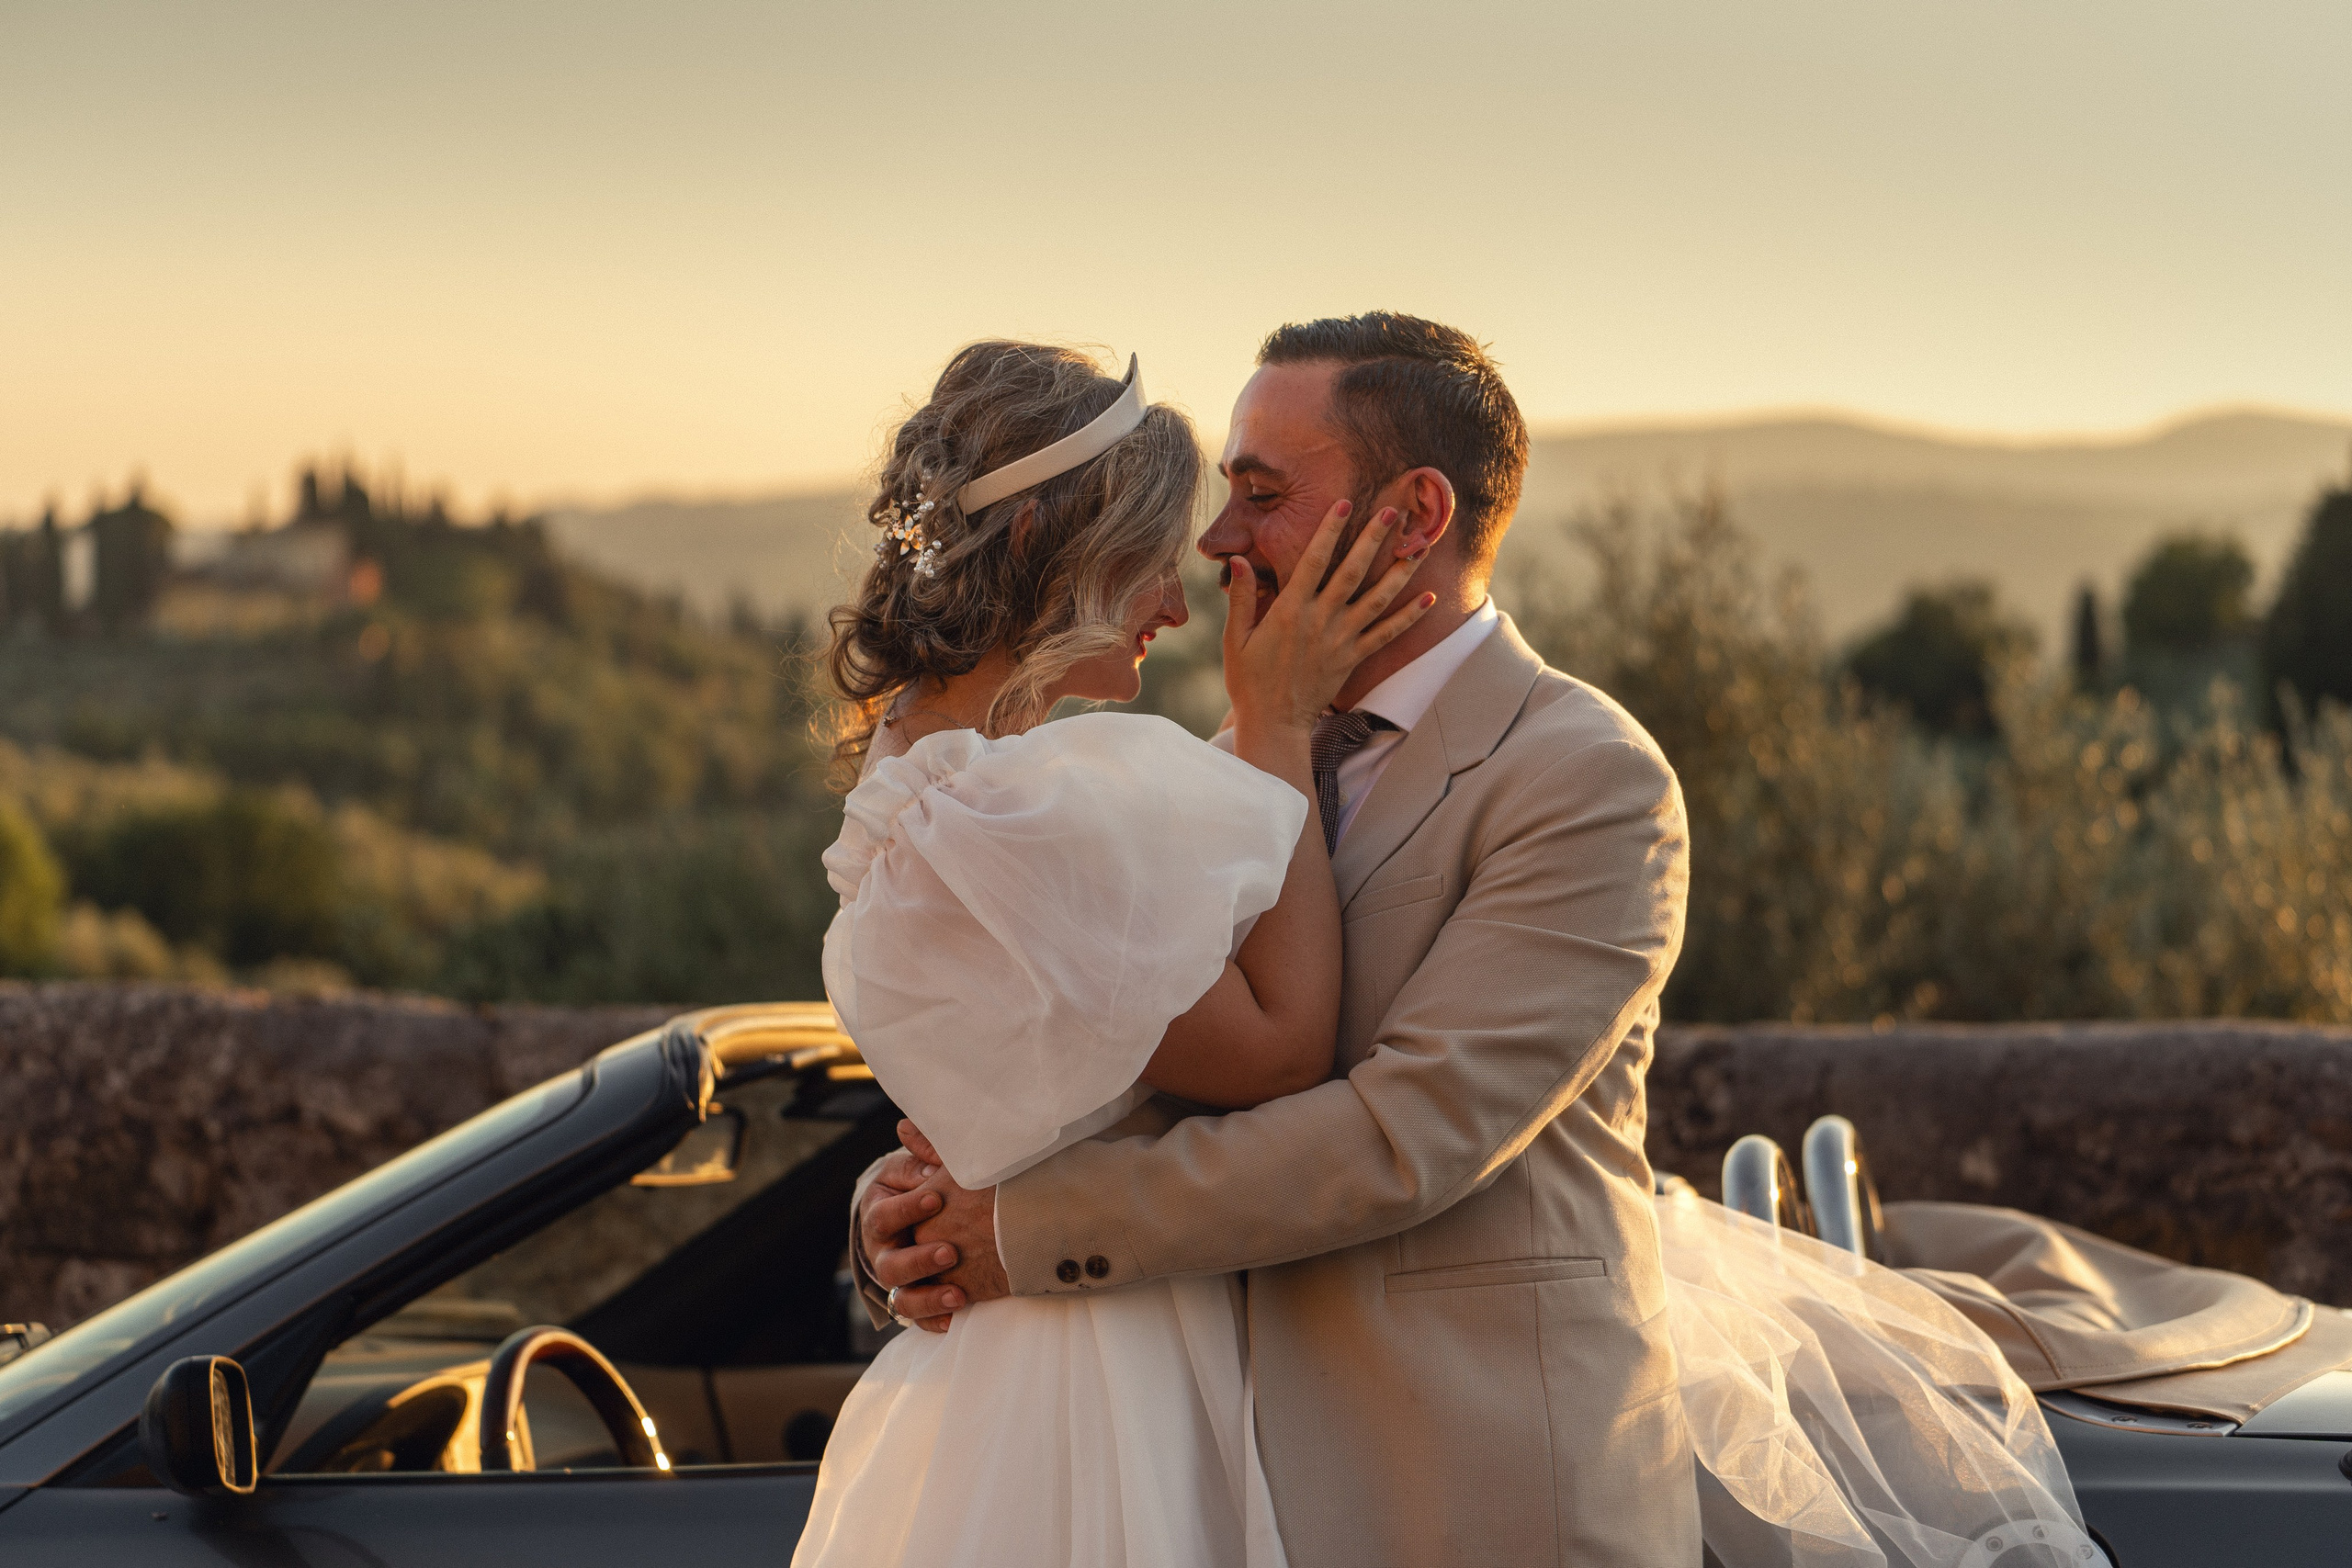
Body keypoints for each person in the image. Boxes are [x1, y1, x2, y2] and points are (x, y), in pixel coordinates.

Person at [793, 338, 1433, 1568]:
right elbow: (1281, 1051)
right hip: (1101, 1367)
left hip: (1001, 1362)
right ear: (1048, 542)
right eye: (1151, 560)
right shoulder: (1014, 812)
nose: (1179, 607)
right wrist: (1278, 722)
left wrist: (894, 1202)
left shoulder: (910, 786)